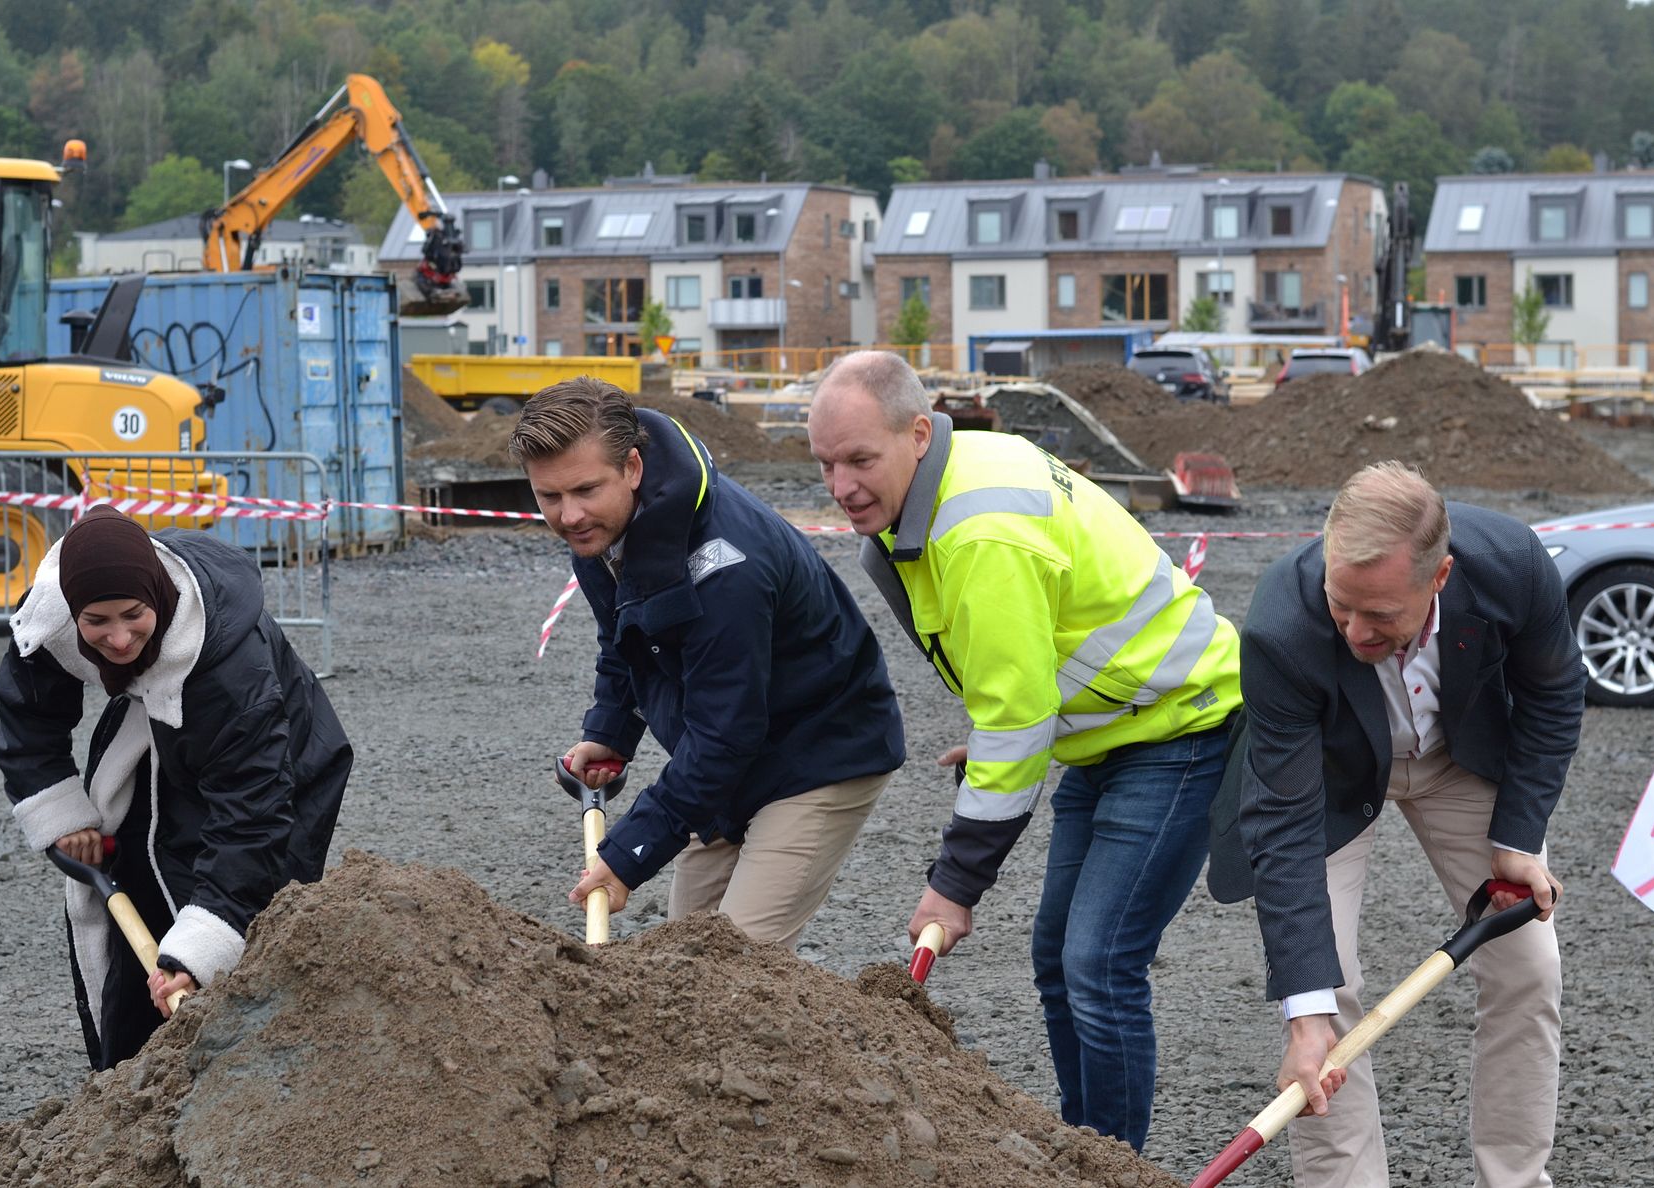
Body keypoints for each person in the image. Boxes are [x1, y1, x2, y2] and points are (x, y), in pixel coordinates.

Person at [807, 351, 1242, 1151]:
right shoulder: (940, 490)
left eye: (860, 460)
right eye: (826, 465)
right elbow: (1017, 678)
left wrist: (953, 885)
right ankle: (1085, 1147)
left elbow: (1017, 714)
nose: (842, 485)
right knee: (1057, 957)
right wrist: (1005, 734)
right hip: (1106, 733)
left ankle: (1114, 1164)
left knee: (1099, 962)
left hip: (1180, 726)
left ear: (917, 433)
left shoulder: (978, 530)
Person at [1208, 461, 1577, 1188]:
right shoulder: (1283, 623)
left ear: (1440, 577)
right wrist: (1305, 1014)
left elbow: (1554, 694)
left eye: (1379, 614)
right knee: (1328, 988)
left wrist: (1517, 837)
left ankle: (1514, 1178)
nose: (1354, 629)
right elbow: (1283, 821)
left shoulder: (1511, 565)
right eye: (1341, 604)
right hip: (1332, 774)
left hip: (1457, 757)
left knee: (1530, 967)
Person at [509, 378, 905, 946]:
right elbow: (624, 639)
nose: (569, 515)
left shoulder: (725, 569)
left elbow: (725, 734)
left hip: (819, 750)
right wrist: (610, 732)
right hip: (732, 751)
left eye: (585, 490)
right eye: (549, 497)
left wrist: (628, 855)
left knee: (739, 966)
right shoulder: (604, 528)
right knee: (689, 952)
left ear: (633, 468)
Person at [0, 505, 351, 1069]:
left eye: (133, 615)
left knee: (251, 911)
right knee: (138, 872)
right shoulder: (50, 617)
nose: (118, 639)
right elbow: (29, 713)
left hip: (278, 755)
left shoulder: (233, 670)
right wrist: (62, 811)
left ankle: (262, 1074)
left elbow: (251, 818)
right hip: (157, 729)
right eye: (97, 621)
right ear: (71, 611)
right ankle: (131, 1074)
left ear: (156, 598)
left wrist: (199, 948)